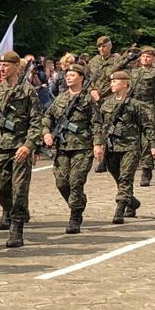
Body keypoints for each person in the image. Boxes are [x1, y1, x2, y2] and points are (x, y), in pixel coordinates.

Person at [0, 51, 40, 248]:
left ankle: (17, 227)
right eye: (1, 65)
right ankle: (9, 209)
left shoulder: (27, 91)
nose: (3, 68)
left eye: (7, 65)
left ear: (17, 66)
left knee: (20, 188)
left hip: (19, 146)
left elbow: (36, 121)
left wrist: (29, 145)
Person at [39, 65, 99, 233]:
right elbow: (47, 117)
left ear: (81, 78)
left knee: (75, 181)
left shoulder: (87, 100)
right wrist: (46, 134)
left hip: (82, 146)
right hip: (63, 147)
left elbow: (96, 123)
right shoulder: (60, 99)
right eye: (67, 75)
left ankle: (75, 215)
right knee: (61, 183)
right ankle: (78, 202)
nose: (69, 77)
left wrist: (97, 144)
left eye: (73, 75)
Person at [95, 70, 155, 223]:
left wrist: (153, 144)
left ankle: (120, 208)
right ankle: (132, 202)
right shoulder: (107, 104)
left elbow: (147, 126)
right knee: (117, 176)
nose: (111, 85)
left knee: (126, 177)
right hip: (112, 147)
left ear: (125, 84)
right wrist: (98, 143)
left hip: (130, 147)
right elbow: (99, 125)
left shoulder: (135, 105)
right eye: (111, 82)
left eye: (115, 82)